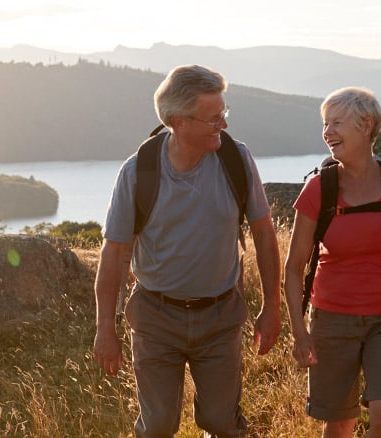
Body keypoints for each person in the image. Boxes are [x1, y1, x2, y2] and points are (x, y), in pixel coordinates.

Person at [93, 64, 282, 437]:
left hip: (221, 314)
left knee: (222, 421)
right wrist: (104, 328)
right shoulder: (138, 173)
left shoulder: (236, 159)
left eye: (224, 114)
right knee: (159, 425)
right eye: (213, 119)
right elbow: (113, 255)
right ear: (178, 123)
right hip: (155, 317)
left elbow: (264, 235)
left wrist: (271, 308)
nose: (223, 125)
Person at [283, 86, 381, 438]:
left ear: (367, 125)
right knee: (339, 424)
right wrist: (298, 330)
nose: (328, 132)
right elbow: (293, 267)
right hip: (331, 318)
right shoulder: (317, 190)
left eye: (337, 122)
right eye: (325, 124)